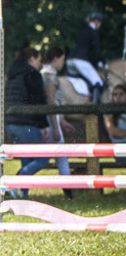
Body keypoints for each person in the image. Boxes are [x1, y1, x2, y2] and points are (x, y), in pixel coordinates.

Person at [4, 47, 50, 198]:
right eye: (39, 60)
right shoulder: (32, 74)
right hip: (25, 123)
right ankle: (15, 183)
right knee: (43, 158)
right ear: (31, 59)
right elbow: (38, 101)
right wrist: (44, 125)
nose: (40, 64)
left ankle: (23, 193)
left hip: (11, 123)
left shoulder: (12, 75)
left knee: (27, 158)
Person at [40, 47, 76, 198]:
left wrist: (62, 122)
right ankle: (68, 192)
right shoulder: (50, 77)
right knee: (61, 156)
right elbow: (51, 102)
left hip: (48, 120)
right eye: (62, 59)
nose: (63, 63)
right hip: (50, 120)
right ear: (55, 59)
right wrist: (56, 127)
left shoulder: (43, 74)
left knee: (55, 156)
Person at [66, 11, 105, 103]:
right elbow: (96, 50)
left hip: (70, 61)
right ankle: (95, 108)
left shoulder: (84, 30)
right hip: (80, 61)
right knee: (98, 82)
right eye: (100, 22)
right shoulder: (94, 32)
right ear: (97, 21)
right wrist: (102, 61)